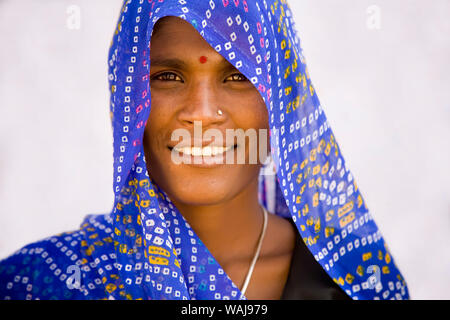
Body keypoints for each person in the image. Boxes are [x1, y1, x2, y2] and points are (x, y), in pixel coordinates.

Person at [0, 0, 409, 300]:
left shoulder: (356, 282)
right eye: (168, 76)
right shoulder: (39, 285)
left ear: (281, 102)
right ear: (128, 102)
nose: (201, 114)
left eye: (237, 76)